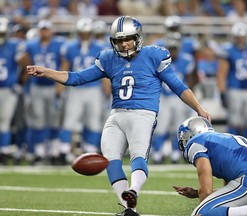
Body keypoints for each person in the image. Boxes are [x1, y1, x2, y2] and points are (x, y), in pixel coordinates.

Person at [26, 16, 210, 216]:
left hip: (143, 114)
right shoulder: (109, 58)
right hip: (116, 115)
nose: (124, 44)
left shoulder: (153, 55)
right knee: (111, 159)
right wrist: (46, 72)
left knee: (138, 156)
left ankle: (134, 190)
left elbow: (178, 87)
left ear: (137, 37)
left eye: (128, 39)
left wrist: (199, 108)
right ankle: (129, 208)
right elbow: (76, 78)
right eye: (119, 40)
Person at [173, 116, 247, 216]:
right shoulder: (222, 138)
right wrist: (196, 193)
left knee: (200, 213)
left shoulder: (196, 143)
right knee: (229, 209)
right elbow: (230, 188)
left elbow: (206, 191)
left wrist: (205, 208)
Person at [58, 18, 106, 164]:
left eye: (86, 33)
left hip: (94, 89)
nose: (84, 36)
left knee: (93, 122)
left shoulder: (100, 47)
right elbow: (64, 67)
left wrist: (107, 87)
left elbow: (105, 69)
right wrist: (59, 88)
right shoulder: (70, 47)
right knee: (70, 120)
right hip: (75, 89)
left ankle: (90, 152)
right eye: (82, 33)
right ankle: (63, 152)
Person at [19, 19, 65, 164]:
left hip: (53, 85)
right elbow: (22, 60)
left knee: (54, 120)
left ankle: (54, 152)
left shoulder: (59, 44)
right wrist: (26, 68)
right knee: (38, 119)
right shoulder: (31, 44)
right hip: (37, 86)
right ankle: (39, 153)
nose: (44, 32)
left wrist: (60, 84)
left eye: (46, 29)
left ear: (51, 30)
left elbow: (65, 61)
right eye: (42, 29)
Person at [217, 22, 247, 144]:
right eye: (237, 37)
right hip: (234, 89)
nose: (239, 40)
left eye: (241, 37)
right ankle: (231, 148)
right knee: (234, 122)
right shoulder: (228, 50)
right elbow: (222, 73)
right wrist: (222, 92)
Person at [152, 31, 195, 164]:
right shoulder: (159, 60)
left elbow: (191, 79)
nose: (172, 52)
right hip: (163, 97)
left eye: (174, 48)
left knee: (179, 126)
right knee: (161, 126)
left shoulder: (186, 59)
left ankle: (176, 152)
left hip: (179, 98)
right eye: (170, 48)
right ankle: (157, 152)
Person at [0, 18, 23, 164]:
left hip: (8, 89)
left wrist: (19, 82)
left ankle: (4, 151)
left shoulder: (15, 46)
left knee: (5, 121)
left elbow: (25, 63)